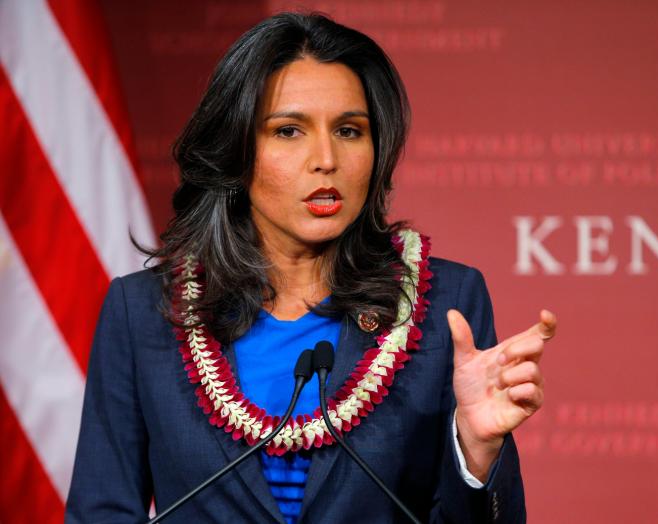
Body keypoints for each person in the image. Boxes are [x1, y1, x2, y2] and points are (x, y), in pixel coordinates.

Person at [66, 11, 556, 524]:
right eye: (289, 131)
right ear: (236, 152)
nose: (326, 158)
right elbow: (102, 511)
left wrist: (475, 453)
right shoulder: (143, 311)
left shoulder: (443, 304)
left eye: (349, 130)